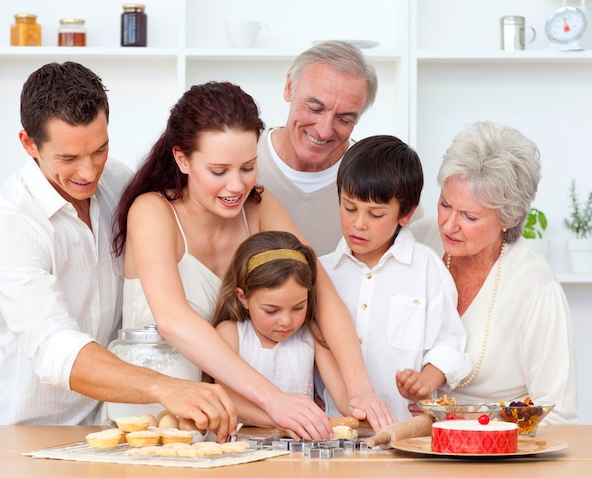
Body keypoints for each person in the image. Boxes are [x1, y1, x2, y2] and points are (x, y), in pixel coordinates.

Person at [112, 81, 395, 440]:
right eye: (219, 171)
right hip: (151, 423)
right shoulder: (153, 211)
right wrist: (274, 400)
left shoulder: (259, 207)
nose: (236, 186)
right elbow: (173, 320)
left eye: (247, 167)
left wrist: (360, 390)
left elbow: (322, 293)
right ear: (182, 159)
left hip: (226, 430)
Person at [0, 62, 236, 440]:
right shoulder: (12, 224)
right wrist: (165, 386)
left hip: (115, 427)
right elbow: (54, 347)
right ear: (28, 144)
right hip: (31, 434)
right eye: (68, 158)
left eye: (99, 149)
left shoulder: (117, 181)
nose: (88, 171)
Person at [409, 121, 578, 424]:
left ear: (508, 218)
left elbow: (558, 416)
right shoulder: (417, 241)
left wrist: (474, 433)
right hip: (405, 439)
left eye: (470, 216)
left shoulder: (534, 285)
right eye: (445, 204)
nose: (448, 225)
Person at [318, 135, 472, 421]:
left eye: (375, 214)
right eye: (349, 207)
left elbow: (450, 341)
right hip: (338, 433)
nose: (358, 223)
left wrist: (427, 379)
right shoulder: (322, 273)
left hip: (407, 433)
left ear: (407, 213)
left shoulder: (426, 269)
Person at [256, 40, 422, 256]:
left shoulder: (380, 176)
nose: (324, 131)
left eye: (344, 119)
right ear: (289, 88)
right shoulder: (241, 164)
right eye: (315, 108)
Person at [210, 231, 349, 427]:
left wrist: (360, 408)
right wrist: (285, 422)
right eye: (271, 310)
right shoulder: (231, 334)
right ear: (243, 298)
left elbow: (342, 394)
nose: (286, 321)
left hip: (298, 450)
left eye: (298, 307)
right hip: (241, 448)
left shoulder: (309, 335)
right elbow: (229, 400)